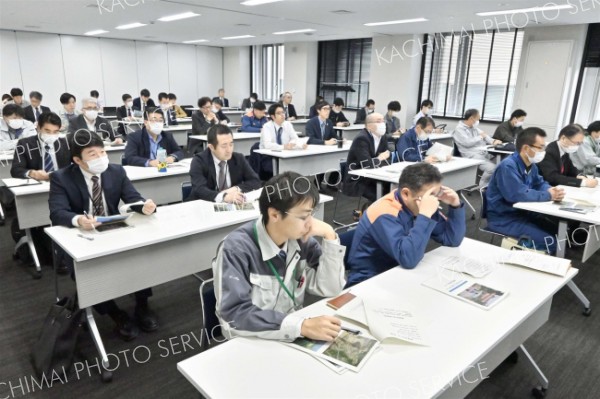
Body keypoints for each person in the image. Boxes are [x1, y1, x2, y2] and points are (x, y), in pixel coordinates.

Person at [49, 130, 158, 340]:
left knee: (139, 255)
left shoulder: (116, 171)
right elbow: (57, 212)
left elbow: (133, 198)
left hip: (114, 229)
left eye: (102, 152)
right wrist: (78, 220)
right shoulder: (61, 178)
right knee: (90, 272)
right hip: (81, 236)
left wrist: (143, 206)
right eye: (92, 154)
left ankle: (142, 305)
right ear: (77, 160)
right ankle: (115, 313)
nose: (101, 158)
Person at [213, 171, 346, 341]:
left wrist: (330, 235)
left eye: (311, 214)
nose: (311, 223)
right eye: (304, 216)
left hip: (290, 333)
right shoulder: (237, 249)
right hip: (251, 340)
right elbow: (233, 316)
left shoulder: (301, 241)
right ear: (274, 215)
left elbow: (331, 288)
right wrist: (300, 326)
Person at [346, 163, 465, 287]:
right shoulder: (385, 213)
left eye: (437, 193)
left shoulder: (421, 203)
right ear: (406, 194)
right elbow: (408, 259)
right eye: (430, 195)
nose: (433, 201)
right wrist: (424, 216)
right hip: (369, 279)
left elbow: (452, 239)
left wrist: (455, 205)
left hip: (400, 272)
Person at [486, 127, 565, 254]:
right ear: (526, 148)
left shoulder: (530, 165)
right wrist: (549, 195)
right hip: (504, 218)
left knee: (558, 231)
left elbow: (540, 183)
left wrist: (551, 189)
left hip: (522, 212)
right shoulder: (508, 166)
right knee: (551, 241)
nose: (543, 151)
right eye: (540, 147)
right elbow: (517, 195)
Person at [188, 124, 261, 202]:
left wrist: (235, 189)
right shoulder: (199, 161)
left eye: (231, 144)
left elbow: (255, 181)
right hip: (205, 205)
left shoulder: (238, 158)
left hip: (231, 205)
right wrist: (224, 197)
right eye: (224, 146)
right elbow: (199, 189)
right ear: (211, 147)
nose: (229, 150)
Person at [344, 113, 391, 202]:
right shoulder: (361, 139)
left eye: (383, 121)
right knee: (381, 197)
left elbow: (387, 158)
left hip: (374, 176)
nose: (382, 124)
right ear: (369, 126)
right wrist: (379, 159)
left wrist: (380, 159)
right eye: (378, 121)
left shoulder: (382, 137)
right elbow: (367, 164)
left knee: (393, 191)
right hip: (358, 180)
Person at [11, 112, 71, 179]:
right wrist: (32, 173)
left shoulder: (66, 144)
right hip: (37, 184)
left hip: (61, 183)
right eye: (47, 131)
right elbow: (15, 170)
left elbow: (78, 163)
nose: (51, 135)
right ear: (39, 128)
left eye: (55, 132)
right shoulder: (24, 144)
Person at [538, 124, 598, 188]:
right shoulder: (549, 152)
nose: (578, 146)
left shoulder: (564, 150)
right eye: (577, 143)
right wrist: (583, 183)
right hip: (547, 188)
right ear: (563, 138)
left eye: (580, 143)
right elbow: (552, 177)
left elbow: (571, 170)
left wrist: (579, 176)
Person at [453, 108, 501, 187]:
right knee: (492, 169)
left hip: (481, 153)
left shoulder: (473, 128)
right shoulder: (459, 129)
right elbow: (467, 143)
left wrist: (493, 141)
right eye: (478, 119)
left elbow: (484, 135)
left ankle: (494, 185)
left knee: (501, 163)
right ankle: (483, 187)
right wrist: (480, 137)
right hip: (471, 155)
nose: (478, 121)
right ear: (472, 118)